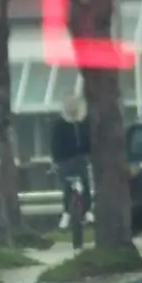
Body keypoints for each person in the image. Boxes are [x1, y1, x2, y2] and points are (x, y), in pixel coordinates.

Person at [49, 95, 94, 229]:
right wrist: (57, 161)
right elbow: (55, 145)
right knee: (69, 186)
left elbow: (89, 142)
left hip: (78, 159)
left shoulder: (83, 124)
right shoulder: (60, 125)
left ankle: (84, 211)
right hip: (65, 160)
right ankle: (69, 213)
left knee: (84, 184)